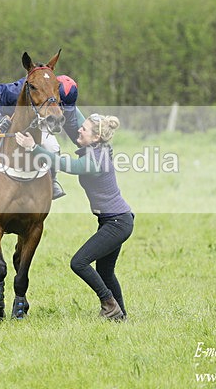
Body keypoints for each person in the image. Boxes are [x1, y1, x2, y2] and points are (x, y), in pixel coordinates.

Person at [15, 112, 133, 320]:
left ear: (95, 137)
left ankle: (109, 304)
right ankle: (120, 315)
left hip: (117, 222)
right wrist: (67, 101)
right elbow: (76, 119)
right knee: (105, 272)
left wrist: (33, 147)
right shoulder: (96, 145)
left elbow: (65, 165)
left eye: (84, 129)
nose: (80, 129)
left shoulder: (95, 161)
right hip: (114, 220)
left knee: (79, 262)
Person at [0, 72, 80, 199]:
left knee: (53, 147)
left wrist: (86, 145)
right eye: (60, 104)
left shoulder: (62, 102)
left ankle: (53, 181)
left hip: (36, 119)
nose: (60, 109)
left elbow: (73, 126)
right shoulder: (16, 91)